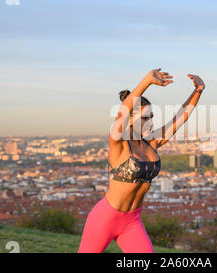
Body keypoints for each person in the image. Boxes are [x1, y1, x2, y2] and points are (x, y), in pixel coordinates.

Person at [78, 68, 205, 253]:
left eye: (152, 117)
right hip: (105, 218)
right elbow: (122, 113)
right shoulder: (118, 142)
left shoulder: (151, 143)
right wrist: (146, 81)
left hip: (132, 221)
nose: (151, 122)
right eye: (145, 117)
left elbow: (180, 118)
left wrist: (198, 91)